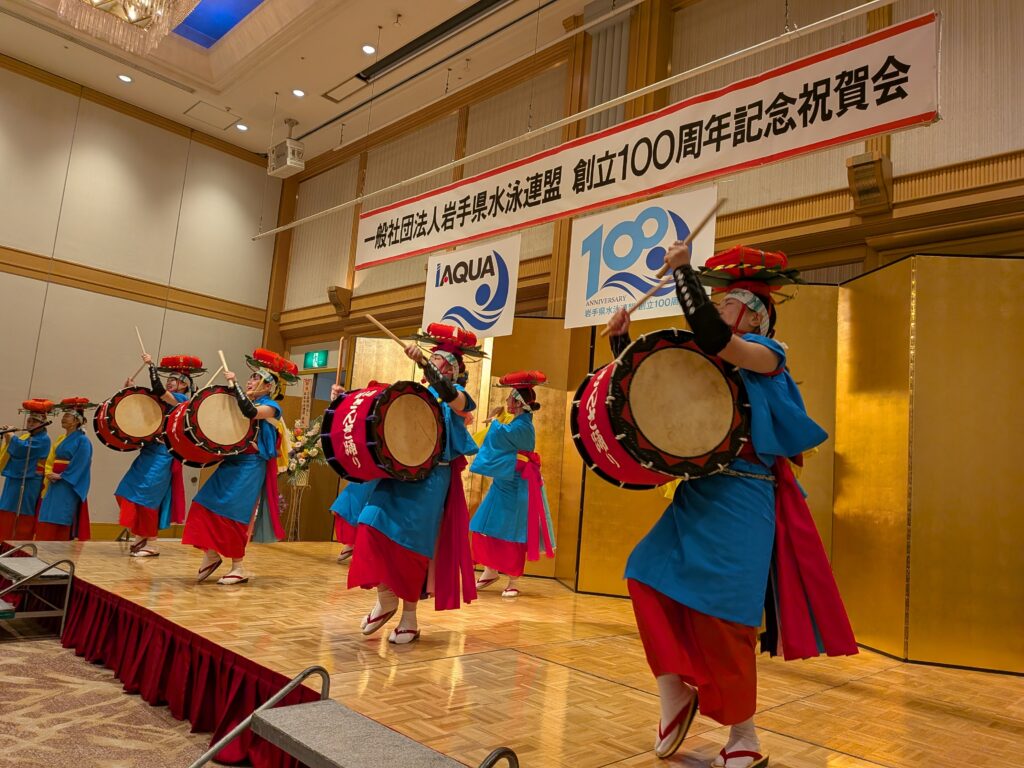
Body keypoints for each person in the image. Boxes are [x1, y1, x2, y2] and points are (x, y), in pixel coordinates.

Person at [606, 243, 856, 766]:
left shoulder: (768, 356)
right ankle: (674, 696)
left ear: (755, 316)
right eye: (717, 304)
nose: (719, 312)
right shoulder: (713, 364)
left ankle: (745, 736)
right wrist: (620, 342)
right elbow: (654, 395)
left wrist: (684, 274)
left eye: (727, 305)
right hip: (700, 490)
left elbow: (716, 337)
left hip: (744, 494)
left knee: (726, 619)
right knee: (644, 575)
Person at [346, 323, 481, 644]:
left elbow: (454, 399)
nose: (432, 363)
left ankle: (410, 617)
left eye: (437, 360)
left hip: (433, 477)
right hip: (400, 471)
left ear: (452, 368)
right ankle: (386, 598)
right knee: (370, 524)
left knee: (412, 544)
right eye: (430, 359)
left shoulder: (458, 397)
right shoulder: (416, 394)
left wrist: (422, 363)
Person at [181, 348, 295, 585]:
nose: (250, 381)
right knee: (203, 503)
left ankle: (238, 567)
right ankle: (212, 554)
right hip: (232, 462)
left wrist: (235, 387)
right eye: (251, 377)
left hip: (251, 466)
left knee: (234, 514)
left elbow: (250, 412)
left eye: (256, 378)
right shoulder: (242, 400)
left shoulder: (272, 407)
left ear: (268, 386)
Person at [469, 370, 555, 598]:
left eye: (509, 398)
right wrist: (496, 422)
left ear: (517, 403)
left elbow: (500, 435)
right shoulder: (515, 421)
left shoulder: (524, 426)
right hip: (504, 480)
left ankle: (513, 579)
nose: (506, 401)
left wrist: (494, 422)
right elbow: (500, 433)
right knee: (483, 524)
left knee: (513, 532)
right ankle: (490, 569)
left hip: (519, 484)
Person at [116, 354, 204, 558]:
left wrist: (151, 367)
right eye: (169, 378)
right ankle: (141, 535)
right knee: (126, 491)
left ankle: (152, 543)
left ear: (184, 385)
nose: (170, 382)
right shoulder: (164, 400)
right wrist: (131, 389)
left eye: (175, 380)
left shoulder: (182, 400)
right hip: (149, 451)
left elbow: (158, 390)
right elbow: (144, 405)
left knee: (147, 498)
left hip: (163, 455)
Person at [35, 398, 96, 541]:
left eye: (67, 416)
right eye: (64, 415)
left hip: (67, 482)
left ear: (76, 421)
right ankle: (44, 542)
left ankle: (59, 544)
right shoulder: (62, 438)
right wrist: (49, 473)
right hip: (54, 479)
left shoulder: (83, 440)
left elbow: (82, 462)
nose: (63, 418)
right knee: (48, 512)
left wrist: (63, 476)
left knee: (61, 514)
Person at [0, 400, 54, 541]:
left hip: (29, 480)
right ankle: (3, 541)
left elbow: (22, 449)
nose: (30, 424)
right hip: (15, 477)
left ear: (42, 423)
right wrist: (8, 436)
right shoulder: (27, 436)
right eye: (29, 420)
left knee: (22, 512)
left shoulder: (44, 439)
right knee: (6, 508)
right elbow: (17, 447)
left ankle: (18, 543)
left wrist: (11, 437)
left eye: (34, 422)